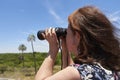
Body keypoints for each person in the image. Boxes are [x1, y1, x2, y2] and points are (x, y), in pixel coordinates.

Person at [35, 6, 120, 80]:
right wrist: (65, 49)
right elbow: (70, 70)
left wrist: (52, 50)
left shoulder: (80, 72)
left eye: (67, 33)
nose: (66, 36)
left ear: (77, 36)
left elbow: (73, 71)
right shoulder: (111, 68)